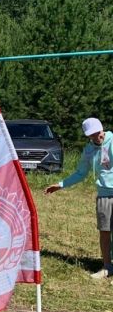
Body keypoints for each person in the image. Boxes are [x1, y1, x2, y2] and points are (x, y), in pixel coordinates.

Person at [45, 117, 113, 279]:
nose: (97, 136)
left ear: (102, 129)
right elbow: (80, 173)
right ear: (87, 136)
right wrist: (60, 184)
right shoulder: (89, 150)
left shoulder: (112, 141)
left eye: (98, 132)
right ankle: (107, 267)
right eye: (93, 135)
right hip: (104, 195)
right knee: (104, 231)